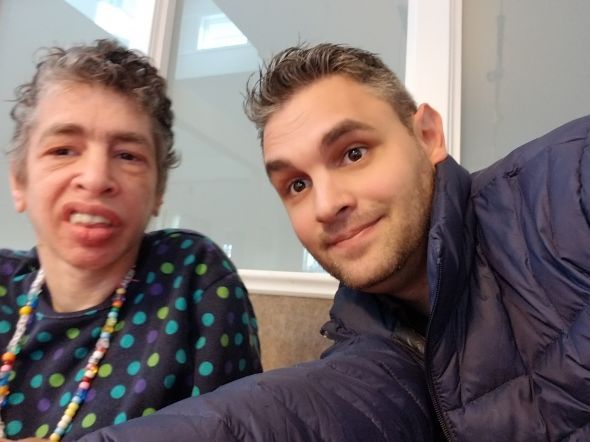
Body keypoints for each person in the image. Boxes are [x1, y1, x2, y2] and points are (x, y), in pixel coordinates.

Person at [79, 43, 590, 442]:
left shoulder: (567, 184)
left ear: (428, 136)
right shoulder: (365, 342)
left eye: (353, 153)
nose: (326, 205)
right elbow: (280, 420)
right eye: (297, 185)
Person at [0, 39, 261, 441]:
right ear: (20, 182)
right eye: (63, 150)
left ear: (158, 192)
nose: (96, 179)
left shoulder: (193, 282)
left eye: (128, 155)